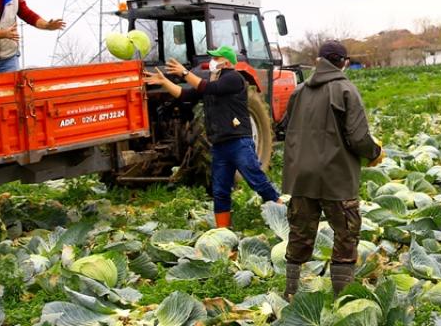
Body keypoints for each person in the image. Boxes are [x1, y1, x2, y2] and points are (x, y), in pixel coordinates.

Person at [280, 40, 382, 300]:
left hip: (301, 175)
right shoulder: (346, 89)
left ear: (317, 61)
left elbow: (287, 127)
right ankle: (342, 297)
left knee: (300, 231)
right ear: (343, 62)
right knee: (346, 233)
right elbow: (358, 138)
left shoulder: (298, 91)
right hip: (336, 176)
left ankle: (292, 292)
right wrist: (375, 152)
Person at [145, 45, 281, 228]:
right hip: (219, 145)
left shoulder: (234, 78)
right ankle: (222, 230)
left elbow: (206, 87)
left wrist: (184, 72)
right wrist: (164, 82)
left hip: (238, 142)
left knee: (256, 179)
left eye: (216, 58)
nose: (212, 62)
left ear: (226, 62)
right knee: (220, 191)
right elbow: (183, 93)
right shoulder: (211, 80)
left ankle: (282, 211)